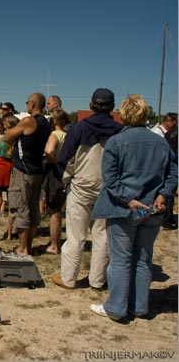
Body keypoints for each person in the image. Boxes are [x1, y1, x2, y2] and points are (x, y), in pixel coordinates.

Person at [90, 94, 177, 322]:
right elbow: (173, 173)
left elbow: (110, 177)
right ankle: (139, 305)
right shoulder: (161, 142)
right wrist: (162, 195)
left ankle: (117, 307)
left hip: (124, 209)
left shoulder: (117, 141)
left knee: (120, 259)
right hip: (151, 208)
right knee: (142, 258)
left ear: (124, 113)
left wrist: (129, 199)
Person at [51, 88, 122, 290]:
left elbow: (64, 160)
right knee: (102, 235)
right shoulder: (118, 131)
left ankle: (68, 279)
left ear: (91, 105)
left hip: (81, 186)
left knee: (75, 235)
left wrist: (65, 181)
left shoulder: (79, 128)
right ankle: (98, 280)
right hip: (107, 187)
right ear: (112, 107)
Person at [3, 92, 51, 255]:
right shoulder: (45, 123)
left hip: (23, 170)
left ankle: (22, 248)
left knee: (21, 208)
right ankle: (28, 246)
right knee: (32, 209)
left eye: (27, 102)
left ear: (32, 103)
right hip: (37, 169)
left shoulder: (29, 121)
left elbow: (7, 137)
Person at [42, 109, 69, 254]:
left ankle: (54, 245)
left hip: (55, 172)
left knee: (54, 211)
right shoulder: (68, 135)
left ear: (55, 121)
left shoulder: (55, 134)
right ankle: (56, 243)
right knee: (58, 208)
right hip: (64, 172)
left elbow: (49, 151)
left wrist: (54, 161)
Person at [0, 114, 19, 240]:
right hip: (12, 168)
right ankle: (9, 233)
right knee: (11, 204)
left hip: (0, 167)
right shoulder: (17, 140)